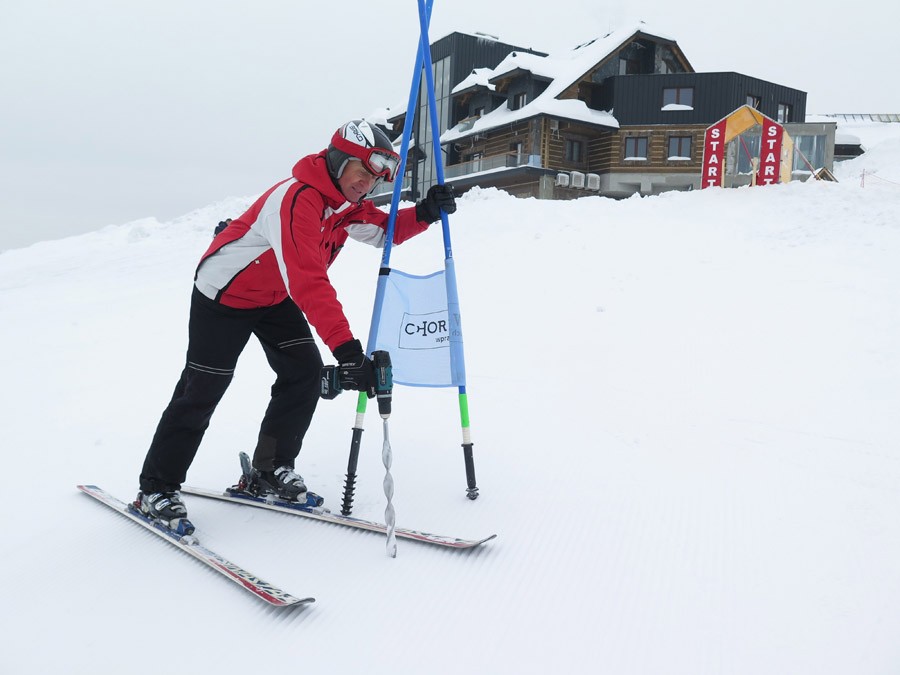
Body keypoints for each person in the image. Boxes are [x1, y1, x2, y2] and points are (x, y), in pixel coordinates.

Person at [136, 119, 457, 529]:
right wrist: (348, 351)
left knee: (303, 374)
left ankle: (269, 470)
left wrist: (425, 213)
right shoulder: (297, 199)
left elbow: (382, 231)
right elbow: (308, 281)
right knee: (202, 389)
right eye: (362, 172)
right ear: (339, 161)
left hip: (273, 297)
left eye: (376, 179)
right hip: (224, 294)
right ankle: (156, 488)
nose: (367, 184)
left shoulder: (344, 205)